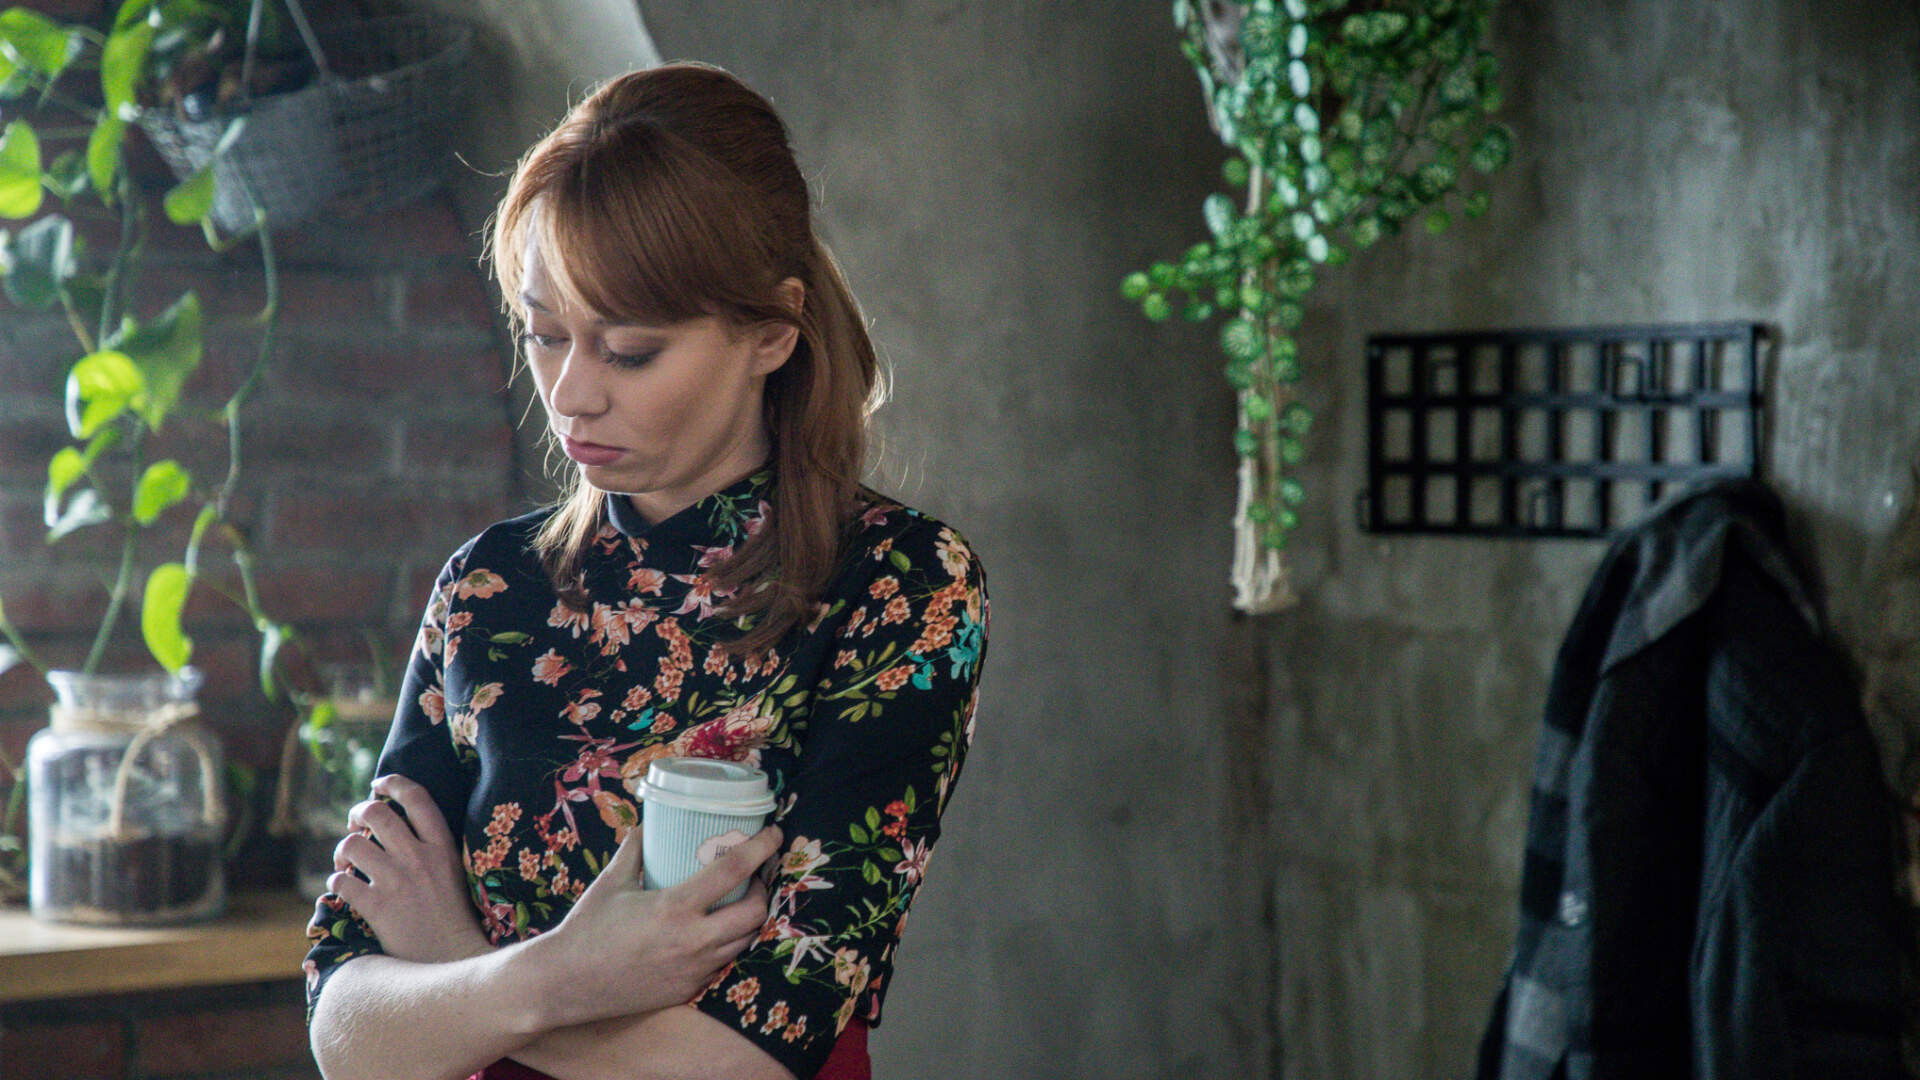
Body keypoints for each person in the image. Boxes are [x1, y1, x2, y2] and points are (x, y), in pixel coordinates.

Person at [301, 61, 990, 1080]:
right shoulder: (489, 587)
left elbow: (757, 1049)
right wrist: (556, 978)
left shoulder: (899, 584)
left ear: (771, 332)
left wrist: (461, 971)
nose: (570, 393)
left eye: (627, 352)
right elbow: (346, 1029)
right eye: (544, 335)